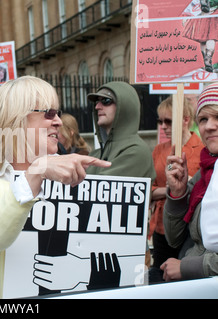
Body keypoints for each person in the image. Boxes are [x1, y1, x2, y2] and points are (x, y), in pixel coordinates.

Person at [0, 75, 111, 298]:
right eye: (49, 113)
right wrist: (36, 173)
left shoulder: (65, 174)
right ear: (15, 120)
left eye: (58, 113)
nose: (58, 121)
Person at [162, 82, 218, 281]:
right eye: (203, 119)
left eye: (217, 116)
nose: (209, 126)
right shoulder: (205, 173)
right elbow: (174, 238)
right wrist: (177, 193)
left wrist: (187, 267)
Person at [149, 96, 203, 283]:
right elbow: (149, 190)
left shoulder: (202, 149)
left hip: (189, 227)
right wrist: (172, 190)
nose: (163, 126)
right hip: (161, 226)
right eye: (160, 121)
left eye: (168, 121)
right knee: (158, 274)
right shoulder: (159, 150)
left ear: (186, 119)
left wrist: (185, 186)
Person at [85, 81, 156, 180]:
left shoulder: (136, 151)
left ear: (124, 107)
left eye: (106, 101)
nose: (97, 107)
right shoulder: (95, 154)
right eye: (97, 101)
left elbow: (99, 189)